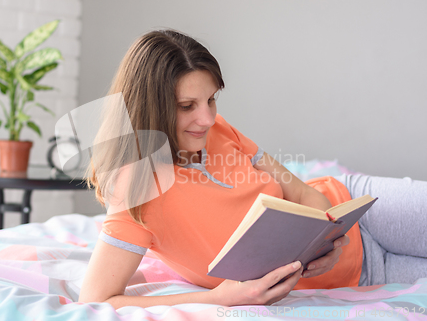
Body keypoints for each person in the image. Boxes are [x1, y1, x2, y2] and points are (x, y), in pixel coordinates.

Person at [78, 29, 427, 308]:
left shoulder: (218, 130)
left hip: (355, 206)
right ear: (148, 110)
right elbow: (97, 298)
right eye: (187, 106)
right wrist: (215, 298)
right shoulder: (136, 190)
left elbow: (300, 190)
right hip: (359, 275)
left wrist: (330, 240)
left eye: (211, 99)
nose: (207, 118)